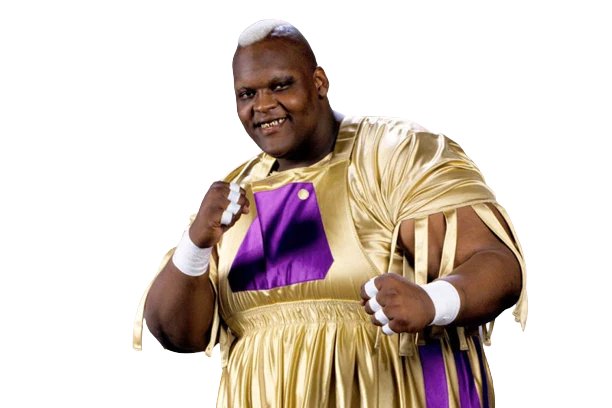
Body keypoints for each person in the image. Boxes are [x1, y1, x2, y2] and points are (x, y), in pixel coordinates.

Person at [133, 19, 527, 408]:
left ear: (319, 82)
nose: (263, 105)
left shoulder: (394, 155)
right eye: (246, 94)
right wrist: (195, 245)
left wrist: (431, 300)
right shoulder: (233, 198)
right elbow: (176, 333)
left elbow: (497, 265)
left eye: (280, 85)